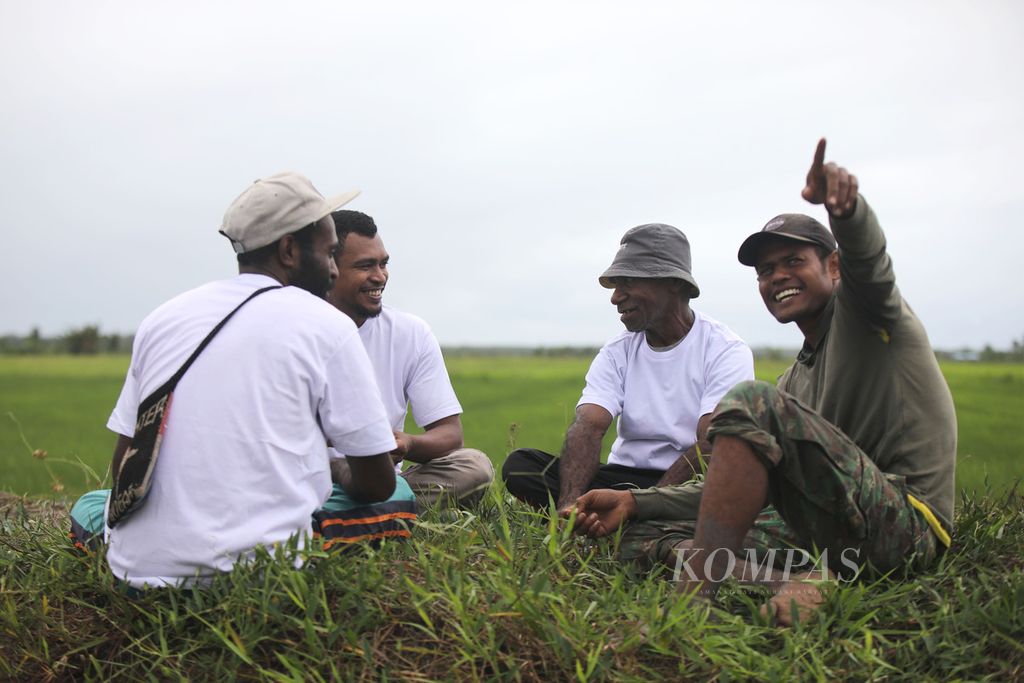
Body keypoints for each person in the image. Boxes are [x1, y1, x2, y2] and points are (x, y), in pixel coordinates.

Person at [569, 139, 957, 625]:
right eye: (766, 270)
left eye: (793, 262)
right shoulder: (796, 380)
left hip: (905, 526)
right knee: (637, 534)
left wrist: (848, 211)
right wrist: (635, 501)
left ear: (833, 267)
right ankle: (803, 580)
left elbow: (871, 267)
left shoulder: (870, 319)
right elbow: (729, 488)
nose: (778, 277)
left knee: (749, 401)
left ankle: (691, 604)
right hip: (834, 528)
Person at [69, 172, 406, 589]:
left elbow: (124, 467)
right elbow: (377, 482)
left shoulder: (164, 318)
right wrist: (333, 469)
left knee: (89, 506)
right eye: (330, 253)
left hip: (134, 575)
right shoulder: (327, 325)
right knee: (400, 497)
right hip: (258, 576)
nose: (335, 269)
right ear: (289, 250)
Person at [502, 222, 755, 513]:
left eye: (628, 282)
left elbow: (711, 443)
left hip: (687, 482)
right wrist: (569, 505)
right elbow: (589, 425)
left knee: (721, 490)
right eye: (615, 285)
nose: (615, 297)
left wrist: (646, 504)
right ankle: (603, 515)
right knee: (521, 466)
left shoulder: (724, 349)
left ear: (673, 282)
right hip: (622, 478)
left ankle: (635, 517)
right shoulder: (617, 352)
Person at [326, 210, 494, 508]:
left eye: (383, 263)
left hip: (384, 480)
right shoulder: (295, 329)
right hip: (314, 475)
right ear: (330, 267)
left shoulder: (410, 333)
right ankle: (385, 508)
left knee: (474, 467)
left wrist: (405, 443)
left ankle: (372, 506)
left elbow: (450, 434)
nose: (379, 276)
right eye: (365, 266)